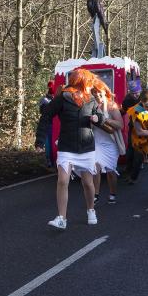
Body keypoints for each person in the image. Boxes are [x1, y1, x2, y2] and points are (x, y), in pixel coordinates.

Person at [36, 69, 105, 229]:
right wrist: (40, 141)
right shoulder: (63, 98)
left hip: (86, 147)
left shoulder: (91, 99)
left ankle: (91, 210)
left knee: (88, 183)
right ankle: (61, 218)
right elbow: (46, 116)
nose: (89, 84)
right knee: (62, 180)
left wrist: (98, 118)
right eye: (88, 82)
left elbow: (101, 117)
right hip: (66, 146)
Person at [91, 83, 123, 205]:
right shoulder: (91, 105)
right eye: (95, 93)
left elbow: (120, 125)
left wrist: (103, 119)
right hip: (96, 142)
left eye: (100, 93)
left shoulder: (112, 106)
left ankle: (113, 193)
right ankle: (95, 195)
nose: (97, 95)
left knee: (110, 171)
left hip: (110, 143)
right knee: (95, 166)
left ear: (105, 92)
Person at [122, 80, 144, 184]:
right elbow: (125, 111)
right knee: (130, 150)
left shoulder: (144, 98)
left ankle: (134, 176)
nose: (135, 95)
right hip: (133, 126)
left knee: (138, 152)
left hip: (144, 127)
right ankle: (128, 170)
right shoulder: (127, 100)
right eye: (133, 93)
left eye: (137, 93)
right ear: (129, 92)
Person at [39, 81, 56, 167]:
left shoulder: (54, 99)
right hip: (48, 124)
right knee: (49, 143)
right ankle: (49, 160)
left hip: (55, 124)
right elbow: (44, 113)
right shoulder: (45, 100)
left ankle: (53, 160)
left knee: (53, 143)